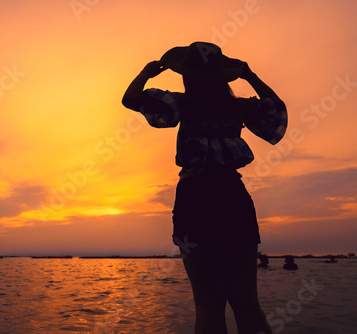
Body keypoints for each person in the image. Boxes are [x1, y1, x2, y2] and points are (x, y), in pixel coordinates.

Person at [122, 41, 287, 334]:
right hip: (232, 195)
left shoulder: (181, 103)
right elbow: (276, 110)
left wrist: (147, 72)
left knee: (209, 304)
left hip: (196, 196)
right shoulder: (238, 106)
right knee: (248, 304)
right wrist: (249, 75)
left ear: (187, 75)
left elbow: (131, 99)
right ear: (223, 76)